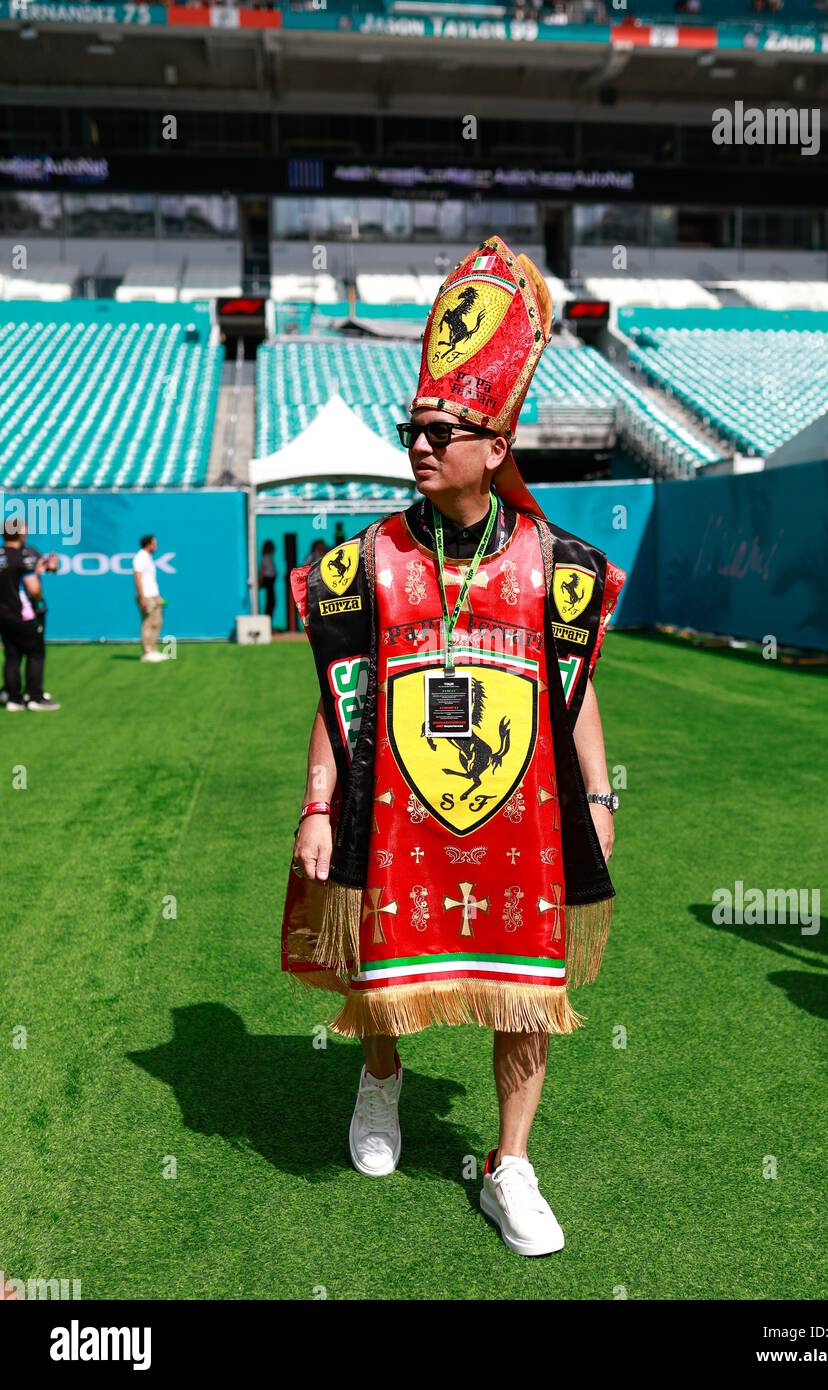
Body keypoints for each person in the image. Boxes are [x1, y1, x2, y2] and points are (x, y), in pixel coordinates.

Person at [280, 236, 625, 1257]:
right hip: (390, 815)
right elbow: (338, 702)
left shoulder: (555, 566)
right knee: (380, 966)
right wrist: (311, 803)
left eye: (445, 428)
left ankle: (508, 1165)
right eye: (414, 427)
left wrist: (599, 804)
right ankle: (380, 1075)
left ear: (496, 443)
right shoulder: (362, 564)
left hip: (521, 825)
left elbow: (573, 694)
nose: (422, 443)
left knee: (529, 991)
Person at [0, 519, 60, 712]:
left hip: (4, 614)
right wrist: (40, 601)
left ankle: (13, 698)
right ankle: (35, 697)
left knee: (12, 655)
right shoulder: (22, 557)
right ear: (19, 533)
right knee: (35, 654)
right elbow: (33, 590)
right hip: (24, 615)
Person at [133, 534, 168, 663]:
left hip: (154, 596)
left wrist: (158, 596)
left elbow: (151, 580)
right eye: (154, 543)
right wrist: (142, 597)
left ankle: (153, 650)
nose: (156, 546)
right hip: (146, 597)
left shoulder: (148, 558)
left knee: (157, 623)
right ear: (148, 544)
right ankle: (146, 652)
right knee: (148, 623)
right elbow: (137, 578)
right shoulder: (140, 557)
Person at [259, 540, 277, 619]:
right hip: (268, 580)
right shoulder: (266, 557)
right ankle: (267, 619)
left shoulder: (269, 556)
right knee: (271, 601)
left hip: (271, 580)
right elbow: (262, 570)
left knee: (271, 601)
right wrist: (260, 580)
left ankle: (269, 619)